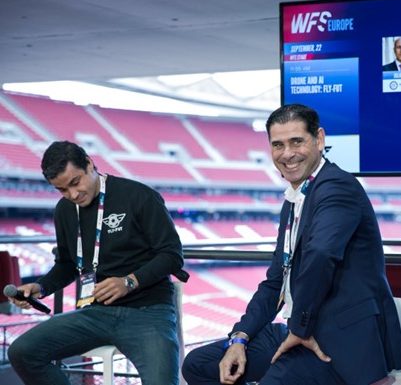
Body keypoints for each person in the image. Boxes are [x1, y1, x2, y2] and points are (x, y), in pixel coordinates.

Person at [182, 104, 401, 385]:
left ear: (319, 139)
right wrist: (240, 337)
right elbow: (276, 281)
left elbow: (321, 253)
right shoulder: (295, 199)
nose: (287, 154)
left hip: (337, 342)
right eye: (278, 145)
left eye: (297, 141)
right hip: (295, 330)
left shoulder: (337, 187)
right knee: (199, 365)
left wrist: (299, 327)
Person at [8, 140, 187, 385]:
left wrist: (129, 282)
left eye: (75, 182)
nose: (72, 194)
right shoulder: (64, 210)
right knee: (21, 352)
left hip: (149, 311)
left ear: (90, 165)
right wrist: (39, 288)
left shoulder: (139, 196)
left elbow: (172, 255)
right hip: (95, 312)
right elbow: (67, 265)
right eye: (62, 190)